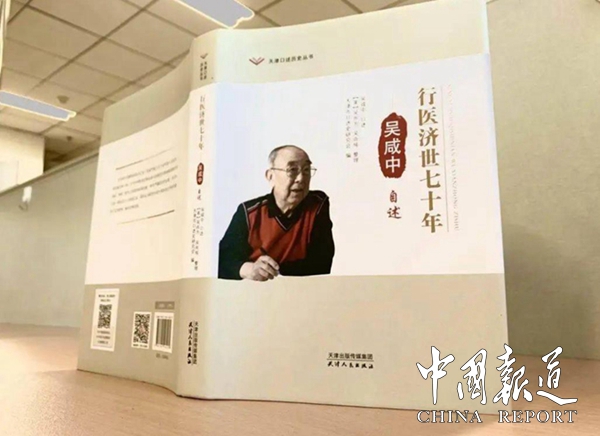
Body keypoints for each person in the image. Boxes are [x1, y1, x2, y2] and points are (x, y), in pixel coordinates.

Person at [218, 145, 335, 281]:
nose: (301, 178)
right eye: (292, 170)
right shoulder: (249, 213)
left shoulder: (317, 205)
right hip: (254, 288)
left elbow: (321, 264)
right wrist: (249, 269)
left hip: (299, 289)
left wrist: (275, 270)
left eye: (306, 170)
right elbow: (222, 261)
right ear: (270, 176)